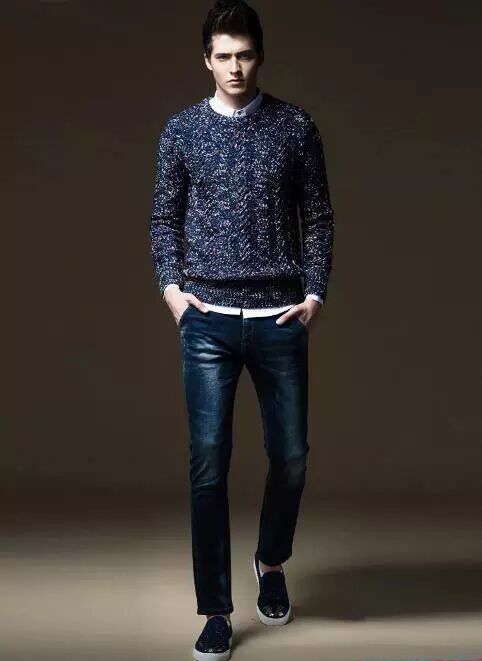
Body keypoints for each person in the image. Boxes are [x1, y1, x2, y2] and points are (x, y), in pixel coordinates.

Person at [149, 1, 335, 658]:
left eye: (245, 54)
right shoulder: (181, 131)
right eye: (223, 56)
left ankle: (271, 560)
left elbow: (319, 216)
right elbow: (164, 219)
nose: (235, 67)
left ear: (260, 56)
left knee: (291, 457)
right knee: (208, 463)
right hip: (206, 323)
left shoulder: (295, 127)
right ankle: (216, 611)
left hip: (279, 318)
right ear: (206, 59)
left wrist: (314, 293)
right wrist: (172, 291)